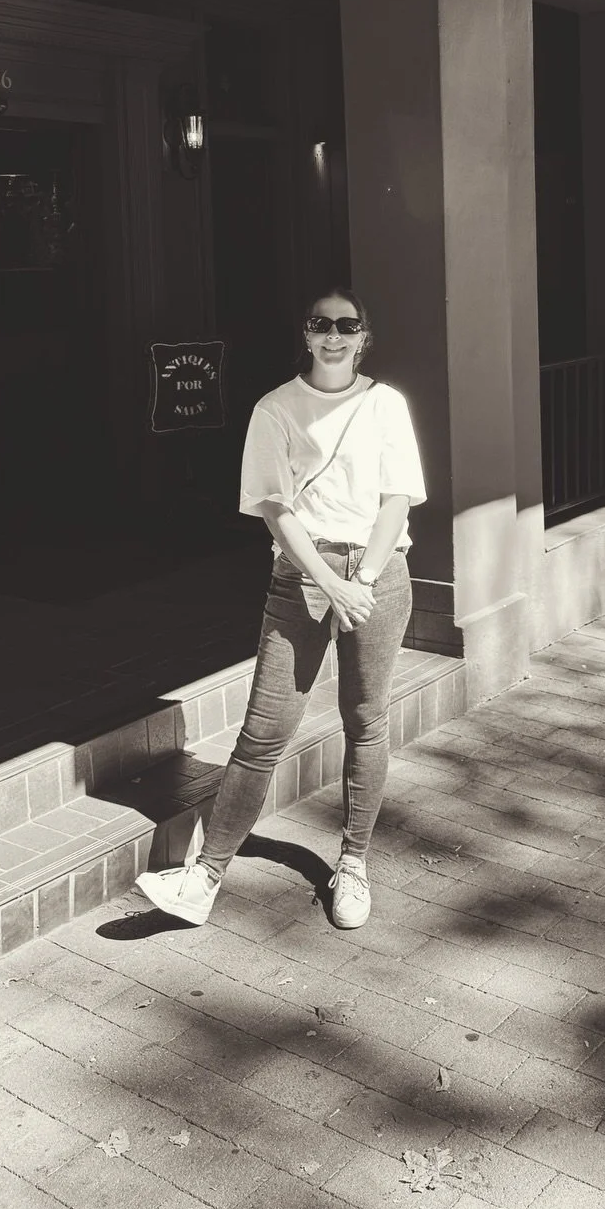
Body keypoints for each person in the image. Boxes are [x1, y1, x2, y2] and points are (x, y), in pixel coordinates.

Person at [135, 288, 425, 930]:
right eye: (322, 324)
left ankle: (353, 864)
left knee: (366, 720)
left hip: (378, 574)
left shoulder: (386, 404)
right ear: (306, 333)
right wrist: (331, 583)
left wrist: (362, 581)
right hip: (302, 576)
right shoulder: (275, 408)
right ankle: (205, 876)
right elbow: (274, 507)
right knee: (264, 732)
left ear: (364, 335)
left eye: (347, 325)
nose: (334, 336)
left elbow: (397, 499)